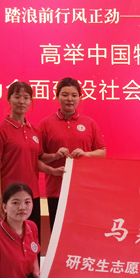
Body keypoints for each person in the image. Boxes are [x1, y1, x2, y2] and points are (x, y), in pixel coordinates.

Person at [0, 81, 64, 245]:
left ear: (31, 101)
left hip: (31, 197)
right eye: (17, 96)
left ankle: (34, 265)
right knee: (9, 244)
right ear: (9, 99)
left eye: (26, 97)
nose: (21, 101)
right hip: (10, 197)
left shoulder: (34, 131)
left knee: (32, 242)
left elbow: (35, 161)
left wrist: (53, 168)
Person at [39, 77, 106, 229]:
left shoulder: (89, 123)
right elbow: (39, 158)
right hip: (56, 190)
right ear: (57, 97)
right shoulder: (45, 124)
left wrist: (86, 154)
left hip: (84, 189)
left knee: (83, 233)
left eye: (74, 95)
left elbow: (102, 153)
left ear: (80, 98)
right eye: (65, 94)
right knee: (58, 233)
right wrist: (55, 156)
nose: (69, 99)